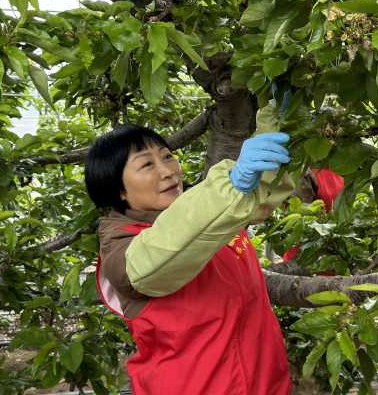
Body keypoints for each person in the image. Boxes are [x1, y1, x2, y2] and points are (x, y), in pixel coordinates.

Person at [84, 105, 295, 394]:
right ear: (118, 189)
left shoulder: (211, 211)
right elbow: (155, 258)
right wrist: (229, 188)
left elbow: (258, 193)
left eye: (167, 157)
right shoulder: (122, 250)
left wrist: (278, 115)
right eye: (147, 165)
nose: (168, 171)